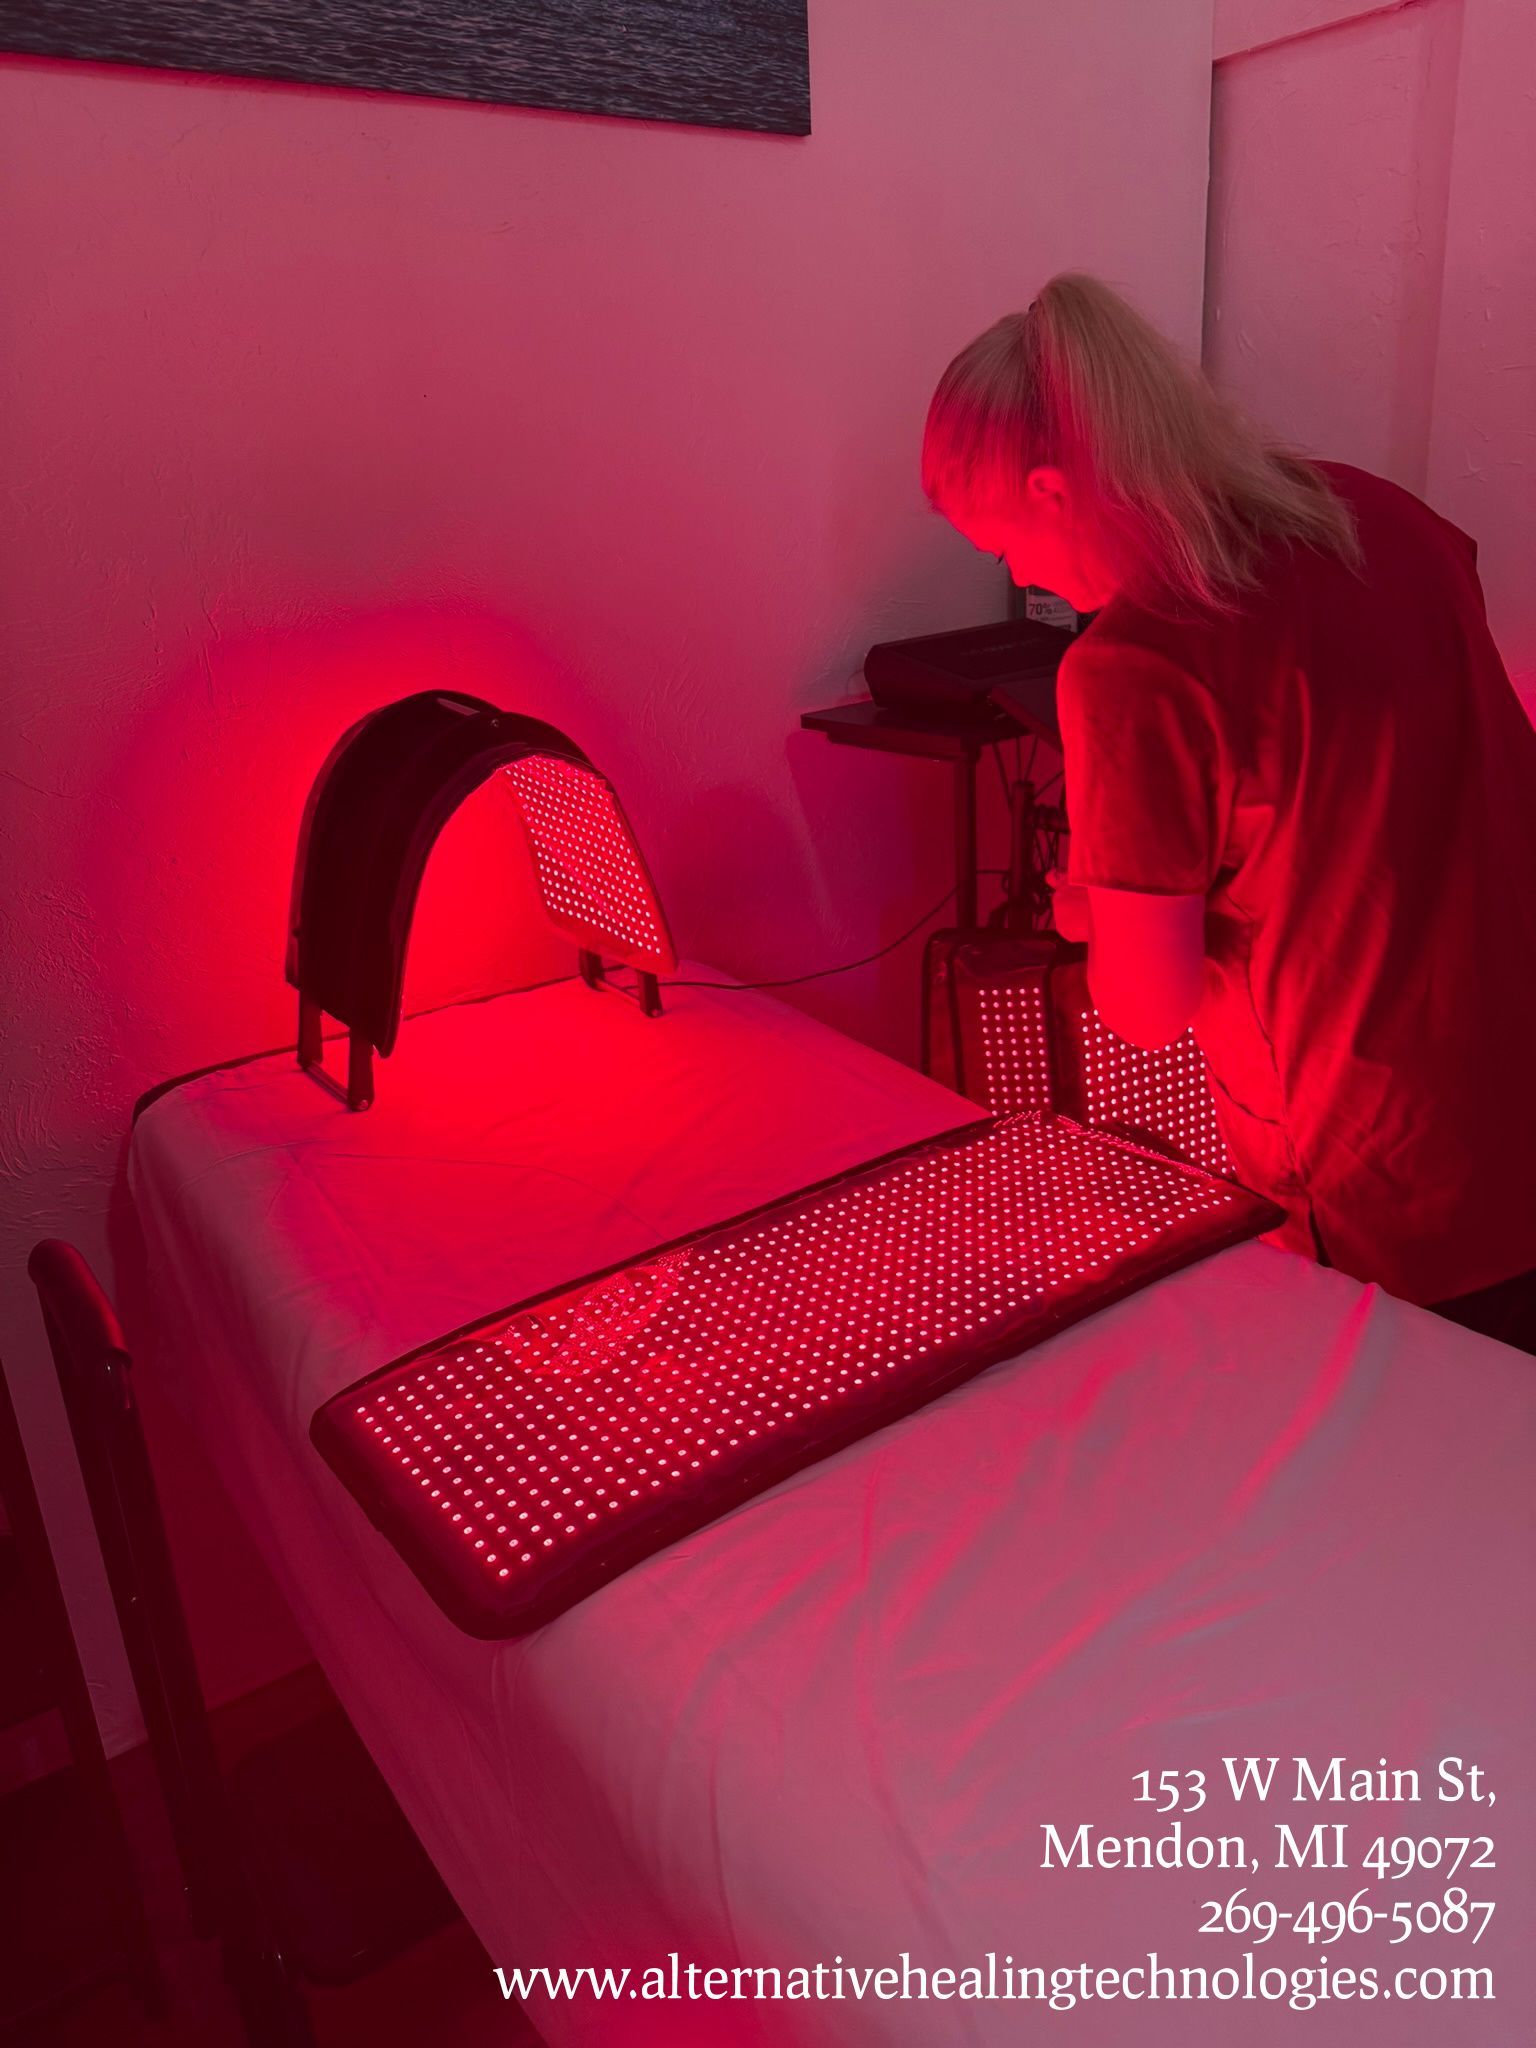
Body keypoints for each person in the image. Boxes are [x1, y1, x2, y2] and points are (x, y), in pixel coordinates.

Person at [921, 272, 1536, 1351]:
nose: (1017, 575)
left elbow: (1148, 1010)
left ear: (1058, 489)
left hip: (1387, 1188)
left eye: (1003, 541)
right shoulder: (1379, 513)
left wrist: (1096, 916)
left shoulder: (1135, 665)